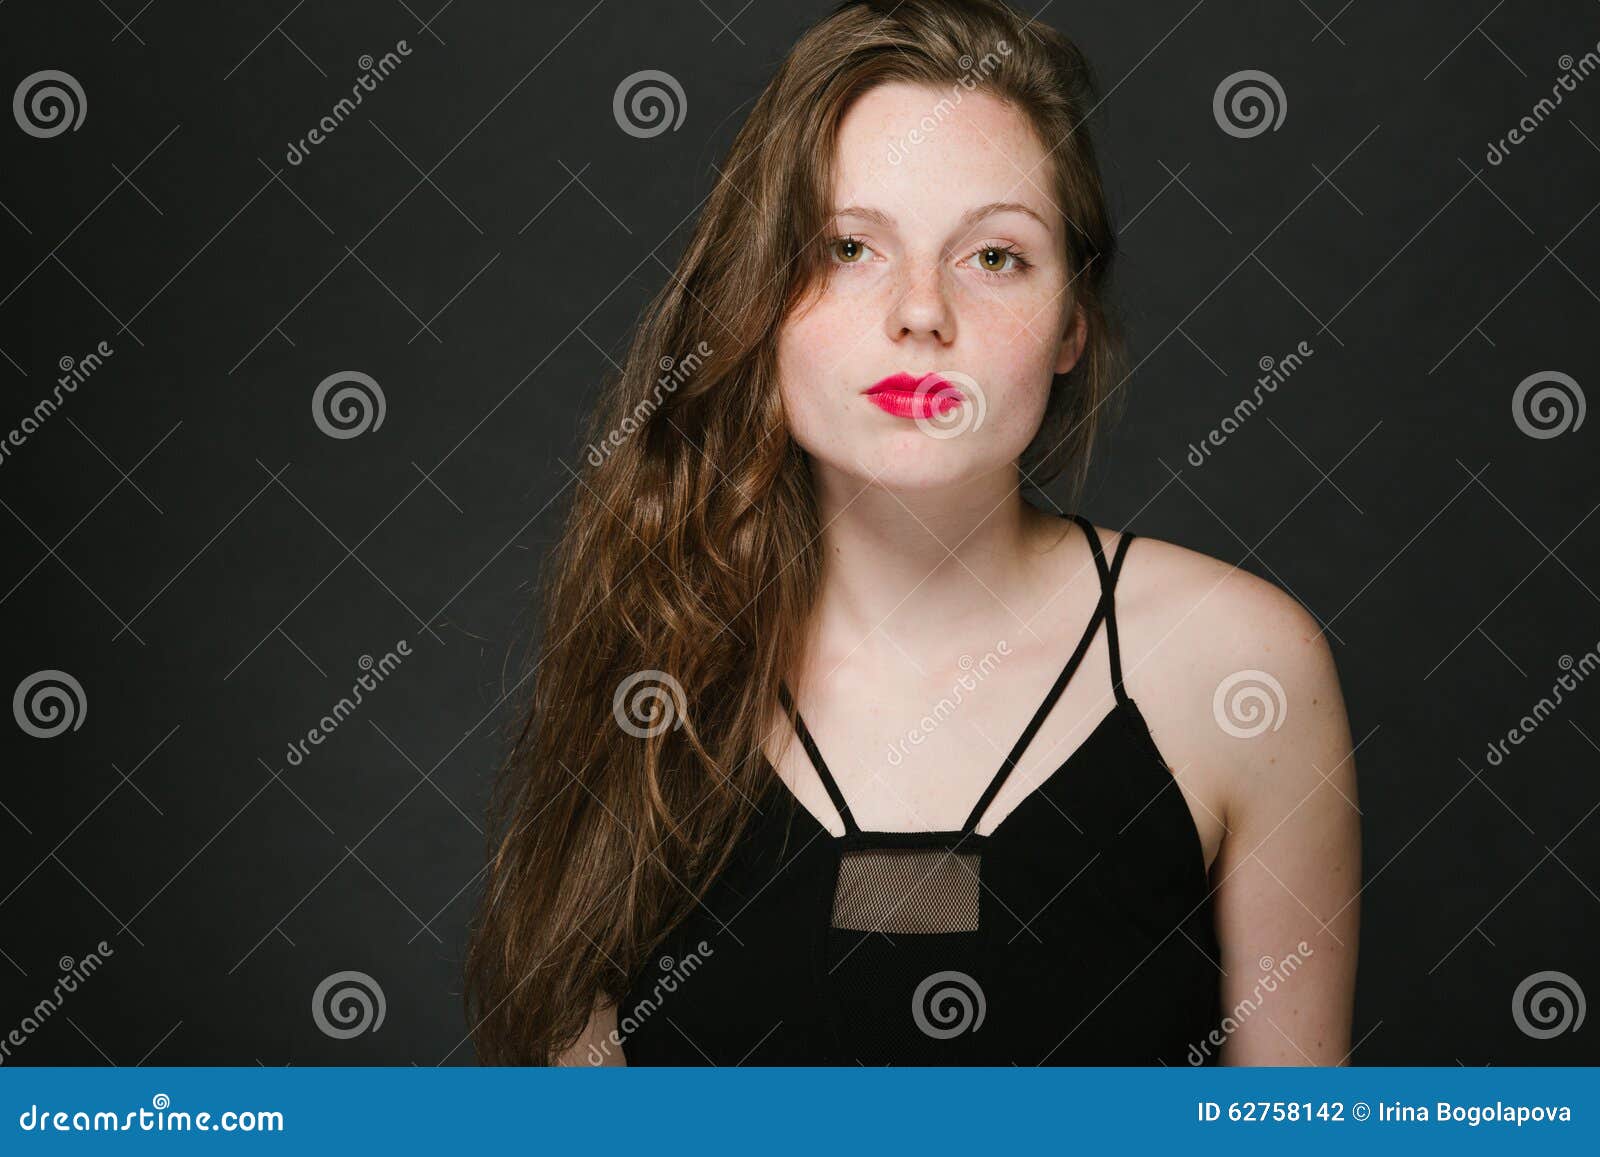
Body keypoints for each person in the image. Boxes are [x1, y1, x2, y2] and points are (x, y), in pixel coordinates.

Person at [465, 0, 1360, 1066]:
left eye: (994, 256)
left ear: (1072, 320)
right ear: (757, 295)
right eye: (848, 246)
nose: (920, 312)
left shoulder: (1237, 667)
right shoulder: (652, 652)